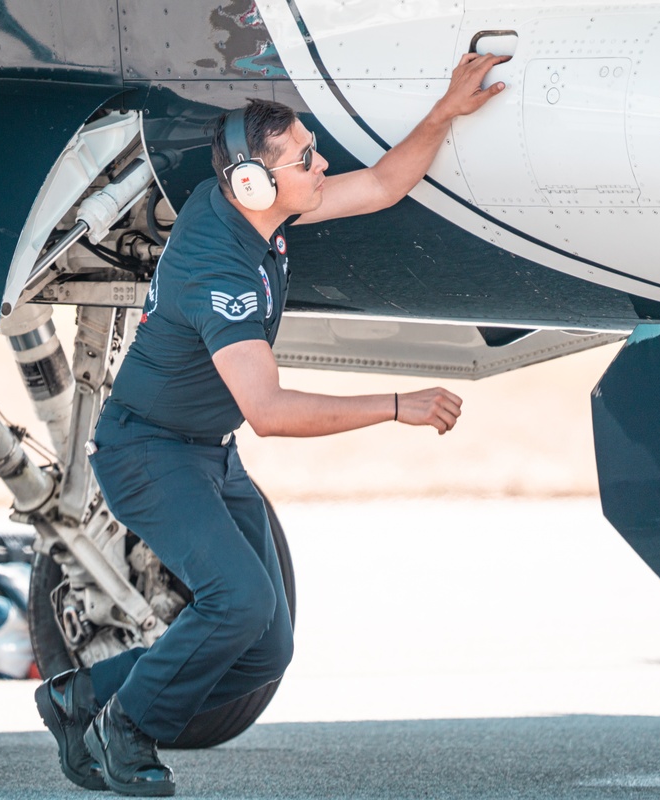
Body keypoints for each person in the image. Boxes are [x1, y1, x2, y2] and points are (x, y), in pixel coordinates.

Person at [35, 52, 509, 796]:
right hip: (147, 455)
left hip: (203, 454)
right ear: (253, 182)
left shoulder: (250, 205)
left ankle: (81, 699)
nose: (321, 165)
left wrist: (446, 112)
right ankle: (127, 730)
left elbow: (383, 183)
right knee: (241, 602)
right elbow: (271, 412)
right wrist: (395, 405)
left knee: (264, 649)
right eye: (306, 159)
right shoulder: (218, 273)